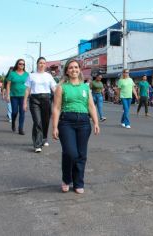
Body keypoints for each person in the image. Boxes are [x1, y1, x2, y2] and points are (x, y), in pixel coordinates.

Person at [52, 59, 100, 194]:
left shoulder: (85, 87)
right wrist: (54, 127)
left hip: (84, 122)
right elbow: (56, 108)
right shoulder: (61, 87)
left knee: (81, 154)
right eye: (71, 68)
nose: (74, 70)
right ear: (67, 71)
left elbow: (91, 106)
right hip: (66, 122)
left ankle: (78, 182)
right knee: (70, 153)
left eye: (76, 67)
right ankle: (66, 179)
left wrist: (96, 122)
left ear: (79, 70)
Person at [23, 57, 57, 153]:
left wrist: (59, 98)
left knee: (45, 121)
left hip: (46, 99)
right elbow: (27, 90)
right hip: (34, 100)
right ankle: (37, 144)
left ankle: (44, 138)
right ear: (37, 64)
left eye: (44, 63)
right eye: (40, 63)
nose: (42, 64)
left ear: (45, 65)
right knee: (37, 121)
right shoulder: (31, 75)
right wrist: (25, 102)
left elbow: (54, 88)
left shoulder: (49, 76)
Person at [6, 59, 29, 135]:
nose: (21, 65)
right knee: (15, 112)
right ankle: (13, 122)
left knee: (22, 112)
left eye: (23, 64)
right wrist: (8, 95)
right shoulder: (12, 73)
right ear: (17, 64)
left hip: (23, 96)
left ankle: (20, 129)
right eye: (20, 64)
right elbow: (8, 85)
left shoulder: (27, 74)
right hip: (14, 96)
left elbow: (29, 85)